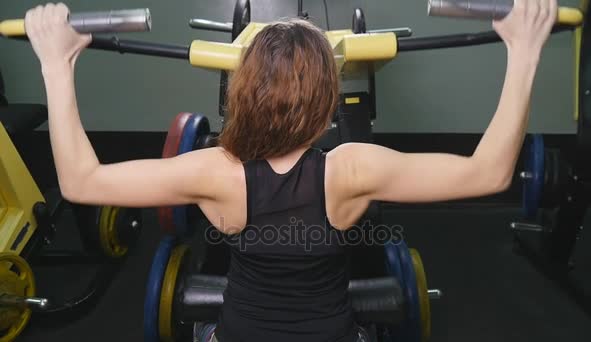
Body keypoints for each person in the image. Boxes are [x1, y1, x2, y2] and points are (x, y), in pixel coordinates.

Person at [25, 0, 557, 341]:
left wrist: (56, 63)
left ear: (243, 95)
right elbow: (487, 174)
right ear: (329, 104)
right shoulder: (351, 169)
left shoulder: (216, 172)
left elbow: (81, 182)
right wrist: (525, 49)